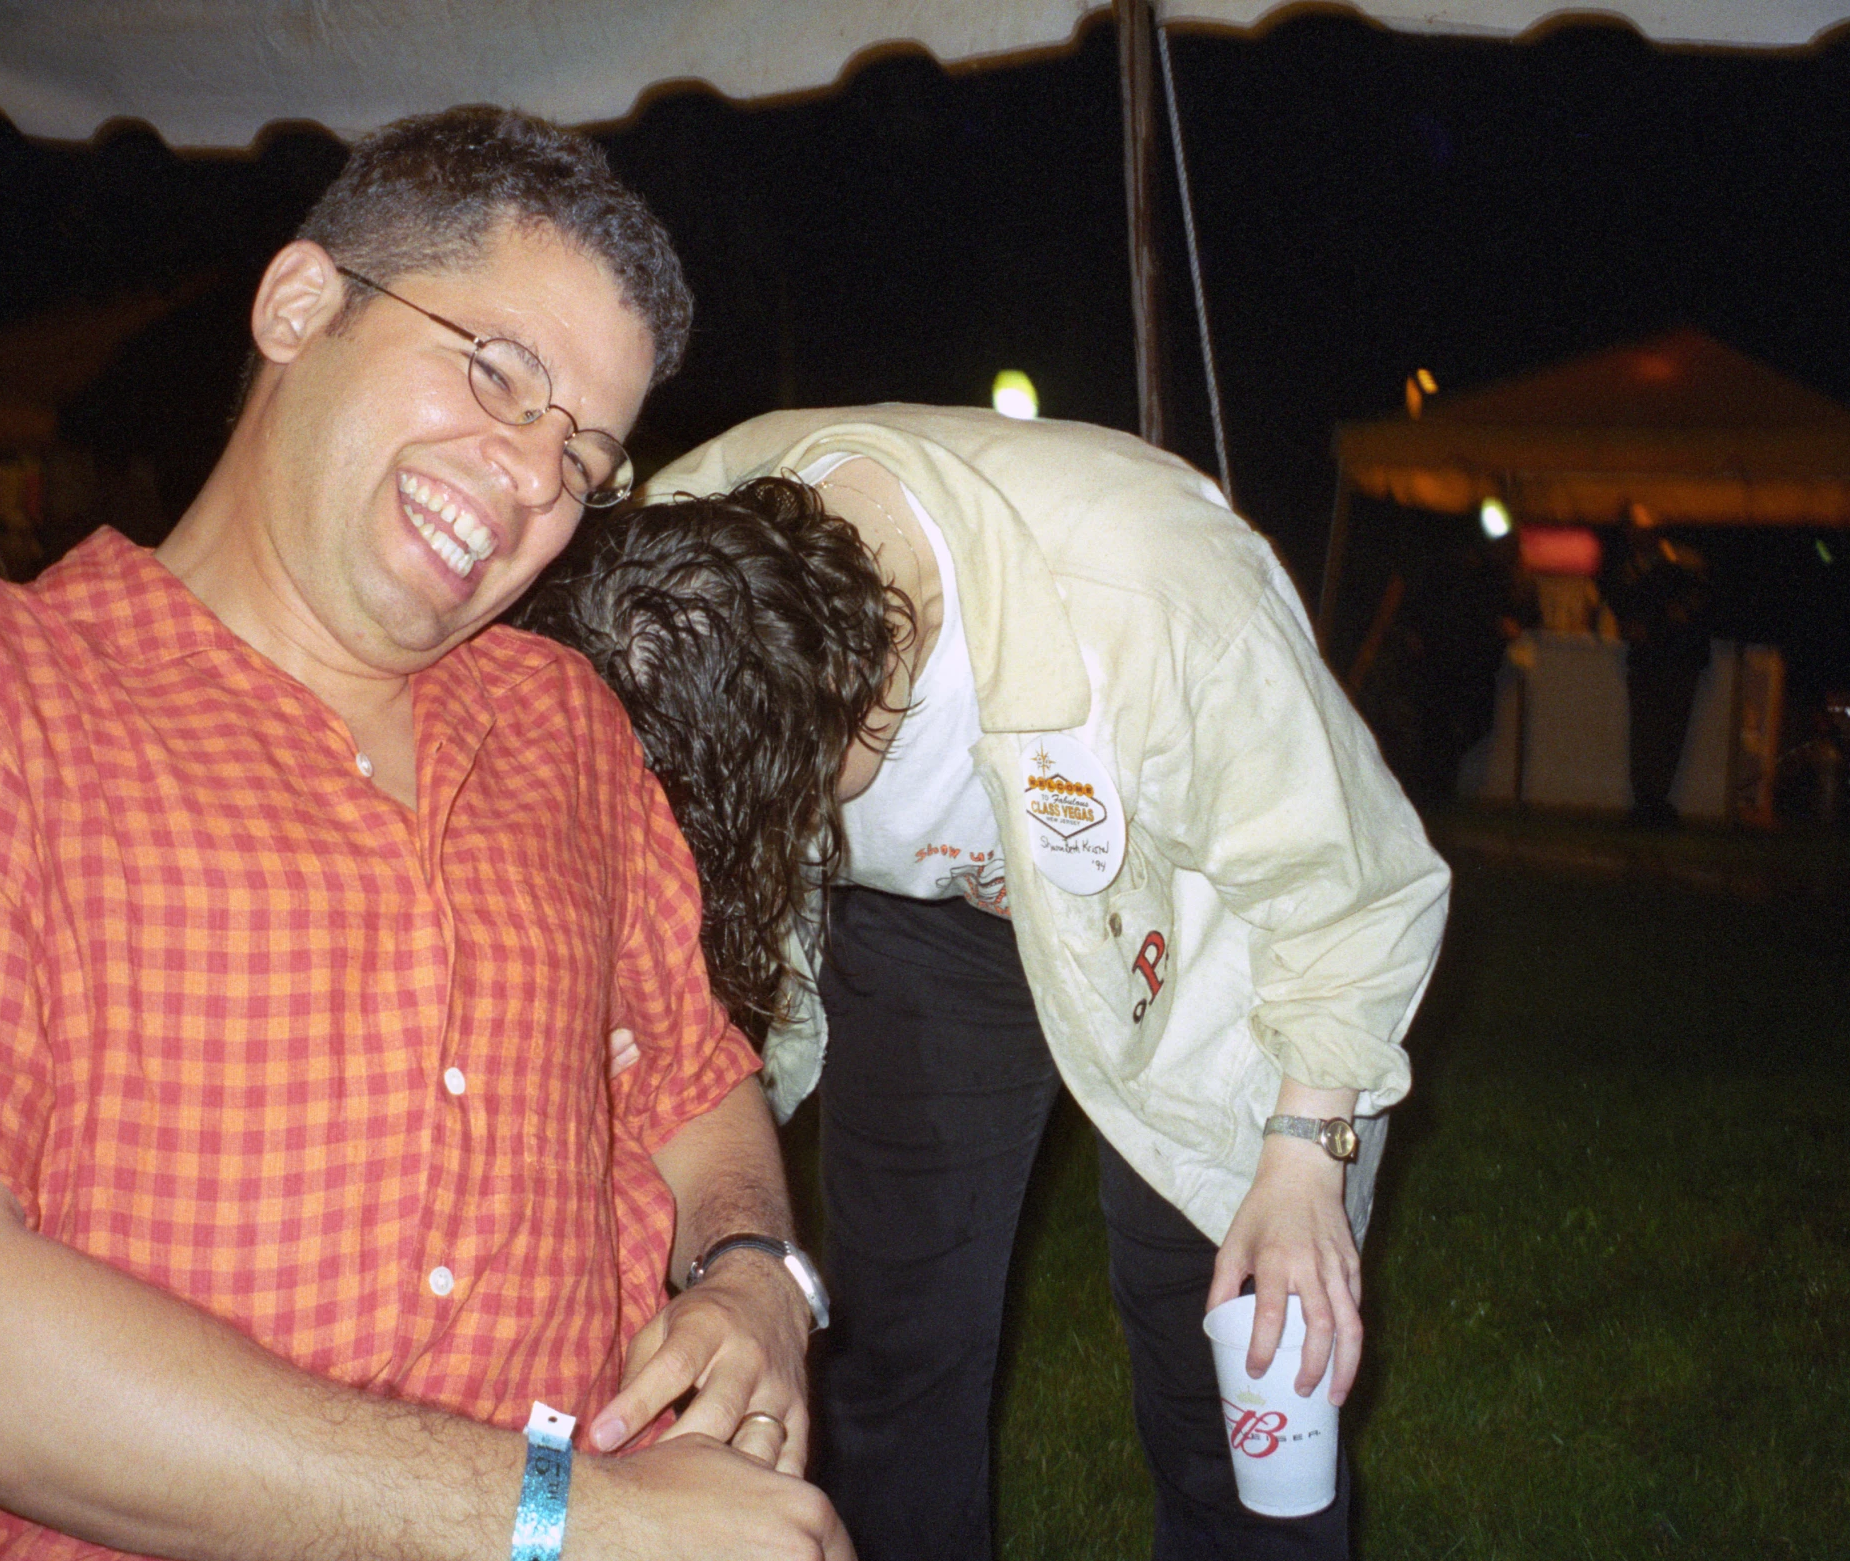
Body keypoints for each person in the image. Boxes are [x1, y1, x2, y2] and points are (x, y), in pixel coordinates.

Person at [0, 108, 849, 1561]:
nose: (537, 482)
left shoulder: (563, 722)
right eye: (494, 373)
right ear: (300, 305)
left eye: (585, 460)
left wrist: (755, 1275)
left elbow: (695, 1081)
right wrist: (564, 1523)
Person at [527, 406, 1451, 1560]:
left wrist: (1307, 1155)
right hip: (930, 937)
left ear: (855, 690)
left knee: (1223, 1372)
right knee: (887, 1348)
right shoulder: (660, 592)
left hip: (1198, 924)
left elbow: (1355, 882)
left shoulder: (1153, 592)